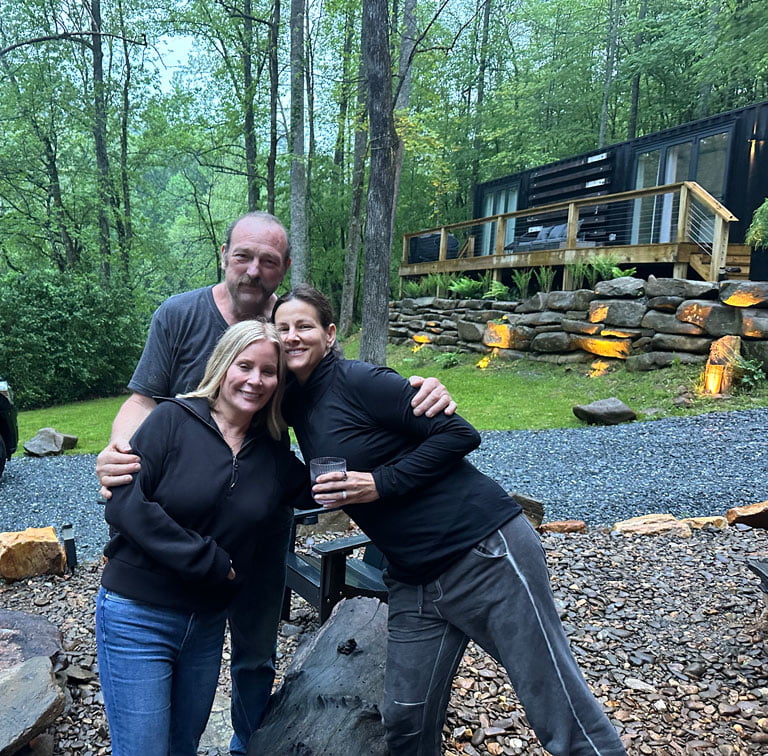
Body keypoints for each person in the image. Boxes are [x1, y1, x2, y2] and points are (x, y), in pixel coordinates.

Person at [96, 210, 456, 754]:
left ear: (283, 267)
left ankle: (253, 743)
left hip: (259, 507)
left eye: (269, 261)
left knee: (254, 649)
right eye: (244, 256)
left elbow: (339, 386)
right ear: (225, 255)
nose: (254, 269)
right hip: (177, 523)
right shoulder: (180, 323)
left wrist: (416, 398)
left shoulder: (290, 328)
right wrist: (120, 453)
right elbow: (144, 400)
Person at [273, 284, 627, 756]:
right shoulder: (295, 402)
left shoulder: (360, 381)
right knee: (405, 721)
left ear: (330, 333)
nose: (293, 336)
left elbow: (458, 433)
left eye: (304, 326)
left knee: (558, 711)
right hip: (414, 580)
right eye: (283, 329)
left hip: (483, 553)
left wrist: (380, 482)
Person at [96, 319, 312, 755]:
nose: (255, 380)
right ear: (223, 365)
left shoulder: (271, 454)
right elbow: (123, 505)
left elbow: (328, 483)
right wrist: (210, 561)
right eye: (244, 365)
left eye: (268, 372)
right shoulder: (173, 420)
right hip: (139, 615)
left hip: (206, 625)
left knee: (183, 746)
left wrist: (398, 427)